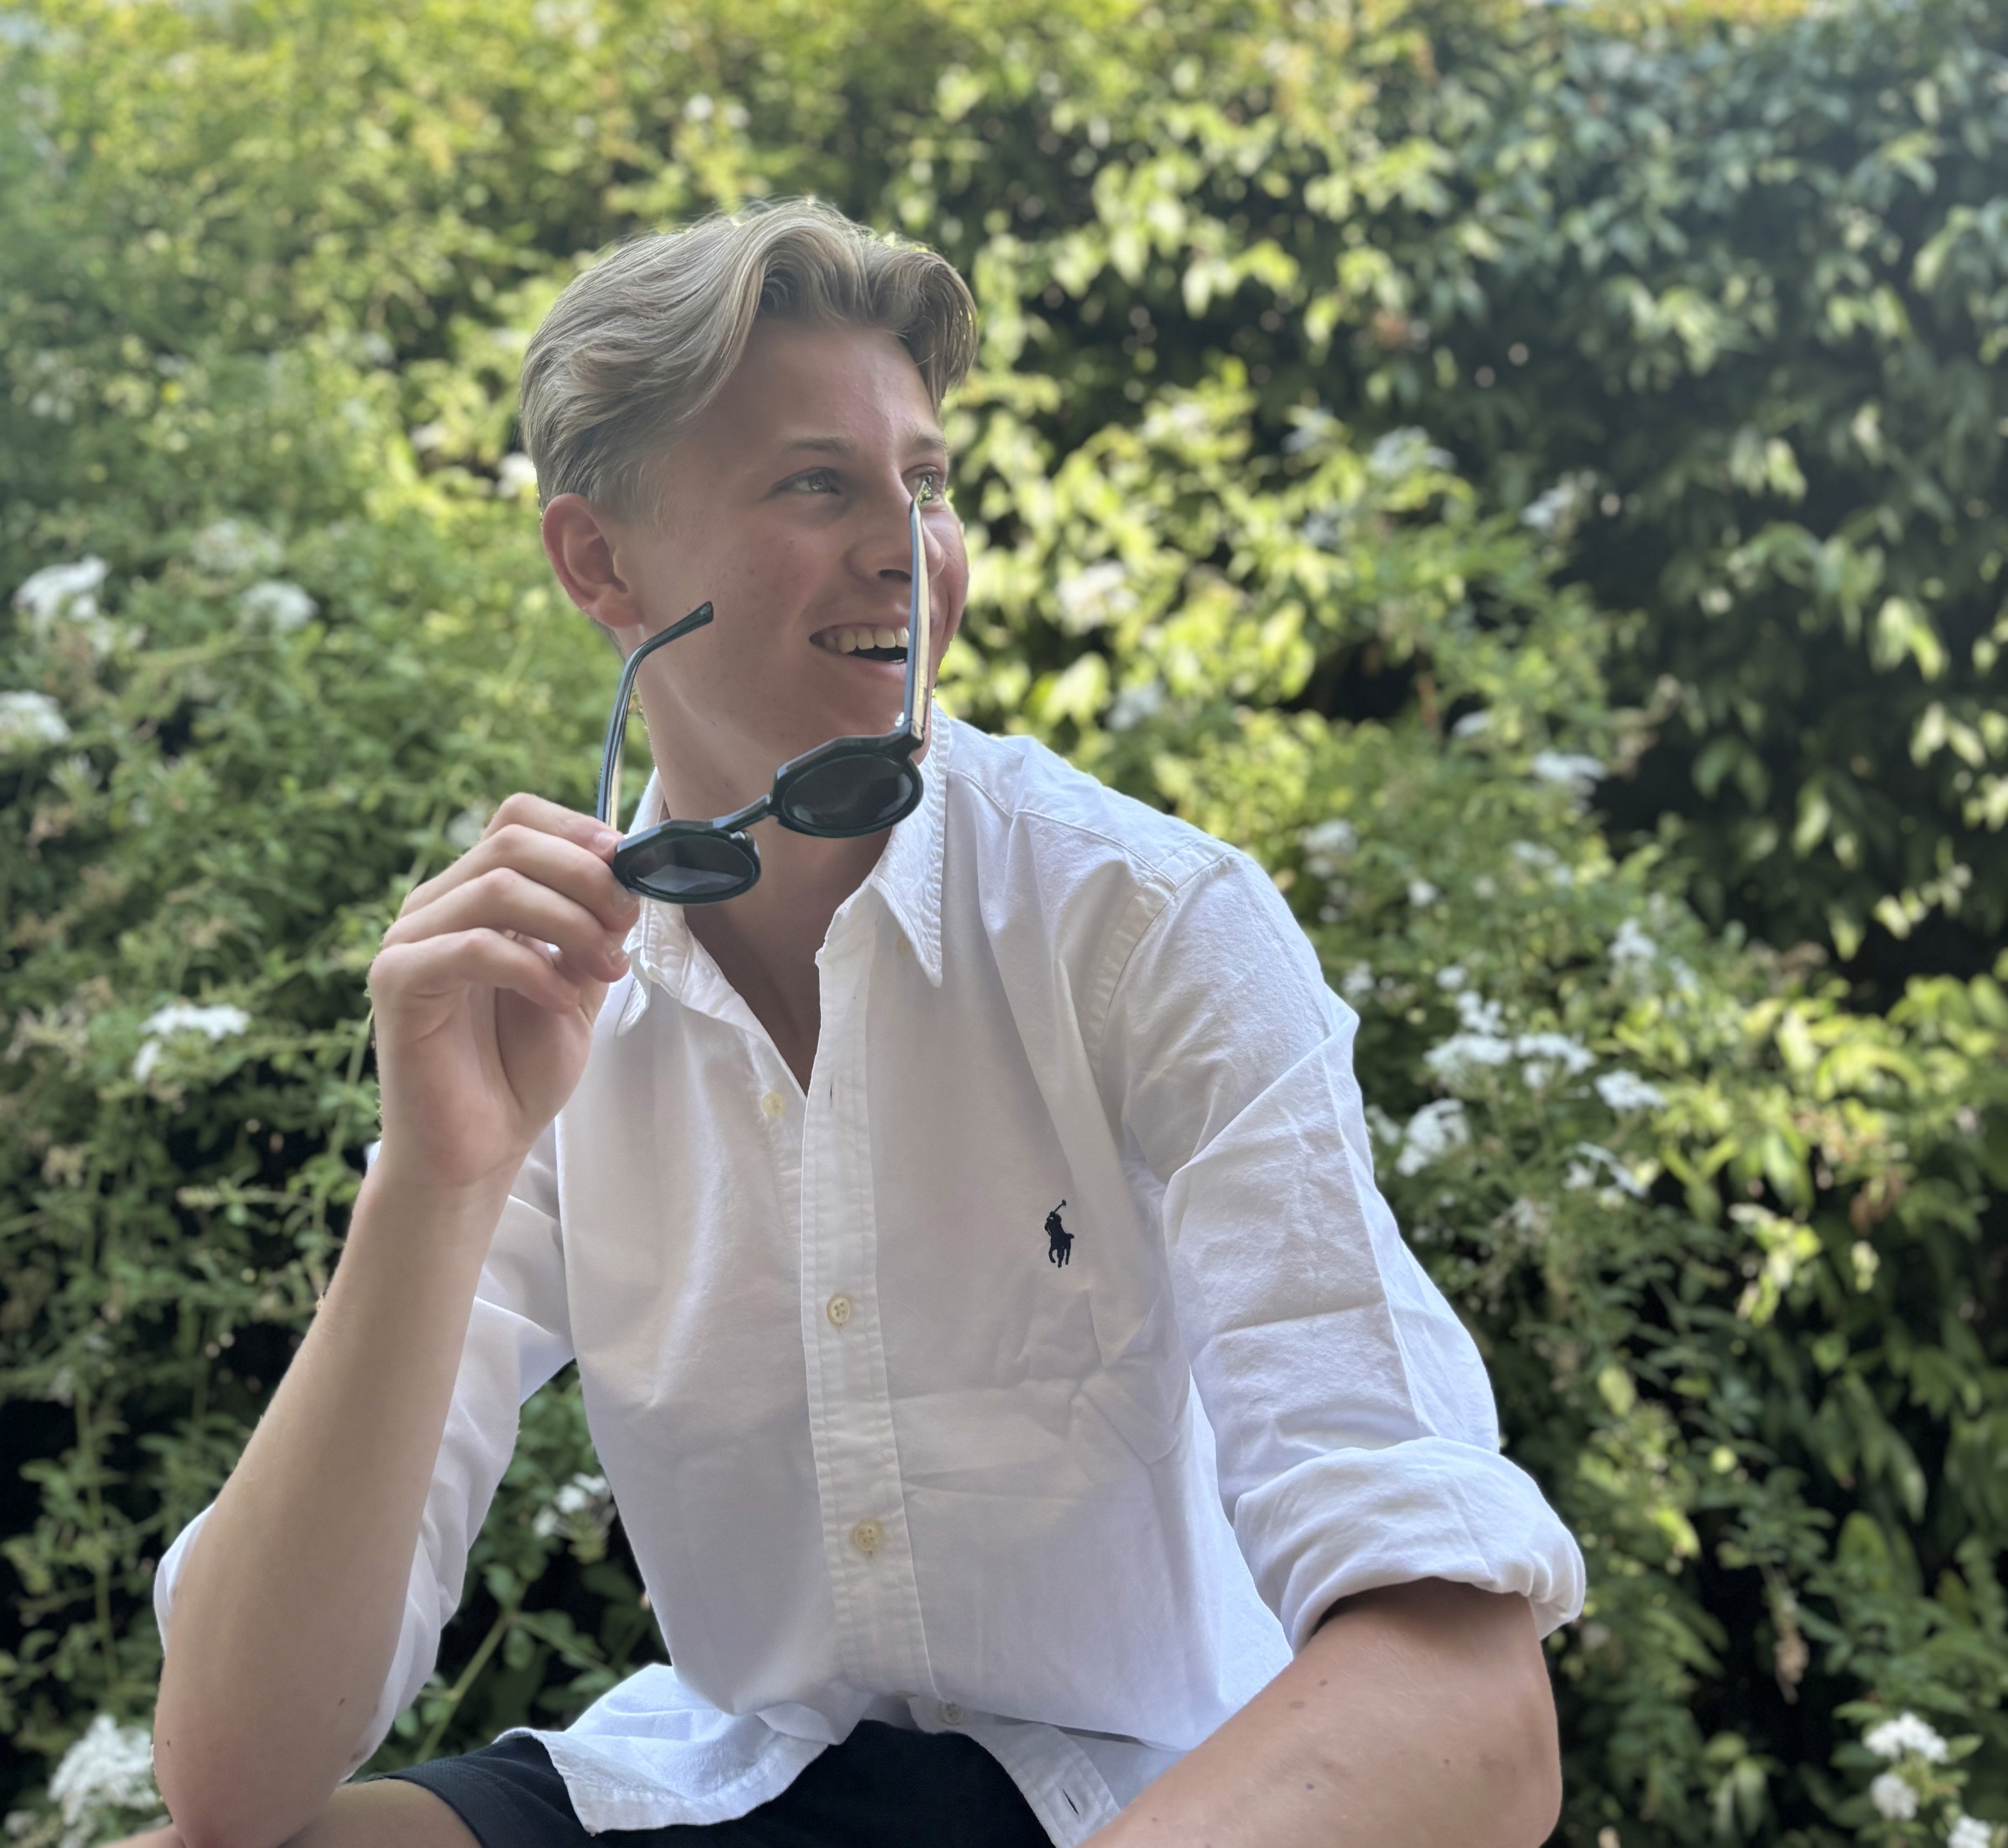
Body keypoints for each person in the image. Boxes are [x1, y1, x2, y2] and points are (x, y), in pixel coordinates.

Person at [143, 201, 1582, 1848]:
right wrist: (434, 1180)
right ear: (599, 565)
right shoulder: (545, 1002)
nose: (910, 545)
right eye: (817, 483)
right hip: (736, 1773)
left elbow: (1471, 1714)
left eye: (925, 484)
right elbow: (234, 1782)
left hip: (1148, 1798)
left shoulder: (1147, 926)